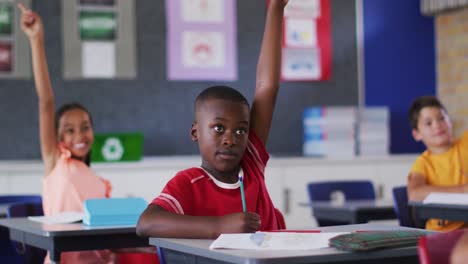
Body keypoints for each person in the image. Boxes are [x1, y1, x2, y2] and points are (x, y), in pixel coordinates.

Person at [18, 4, 158, 263]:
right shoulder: (55, 163)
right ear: (58, 138)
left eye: (85, 126)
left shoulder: (98, 183)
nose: (79, 134)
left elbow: (108, 241)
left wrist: (150, 246)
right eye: (69, 130)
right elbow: (46, 101)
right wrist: (36, 39)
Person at [137, 0, 288, 239]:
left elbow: (267, 86)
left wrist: (277, 7)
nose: (230, 139)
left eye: (240, 131)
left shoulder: (251, 165)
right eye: (218, 128)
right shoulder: (188, 183)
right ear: (195, 132)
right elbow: (145, 224)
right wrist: (219, 227)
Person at [407, 95, 468, 231]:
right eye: (428, 123)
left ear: (450, 121)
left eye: (442, 118)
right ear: (417, 134)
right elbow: (415, 194)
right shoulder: (423, 163)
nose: (437, 125)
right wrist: (463, 190)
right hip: (444, 233)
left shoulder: (465, 142)